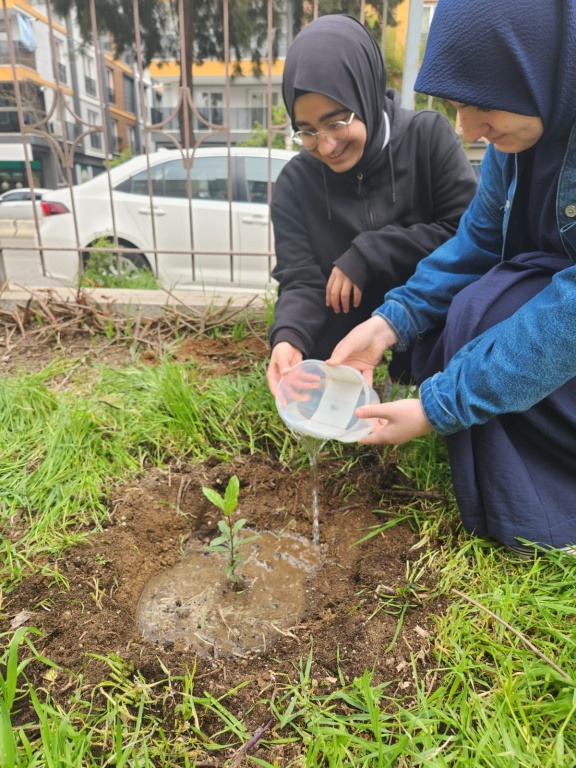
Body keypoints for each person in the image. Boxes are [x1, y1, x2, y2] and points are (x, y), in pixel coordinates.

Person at [328, 0, 576, 555]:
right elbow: (479, 241)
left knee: (487, 311)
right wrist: (389, 322)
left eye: (482, 105)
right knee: (474, 307)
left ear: (540, 69)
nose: (467, 129)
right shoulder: (513, 145)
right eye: (455, 106)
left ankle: (557, 505)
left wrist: (439, 407)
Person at [266, 14, 477, 396]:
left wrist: (371, 251)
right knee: (312, 354)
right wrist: (289, 338)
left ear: (364, 94)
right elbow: (301, 278)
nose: (326, 145)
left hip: (426, 316)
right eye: (307, 131)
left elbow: (466, 236)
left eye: (336, 122)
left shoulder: (427, 138)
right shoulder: (294, 184)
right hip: (343, 334)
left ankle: (415, 379)